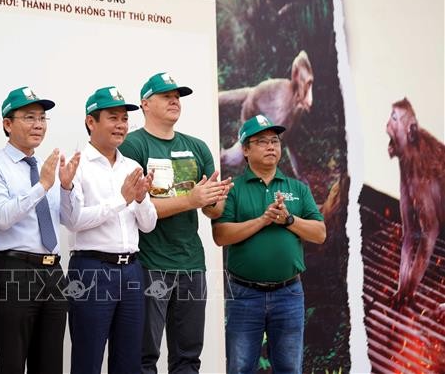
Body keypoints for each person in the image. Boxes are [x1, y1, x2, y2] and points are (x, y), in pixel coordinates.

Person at [119, 72, 232, 373]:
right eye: (166, 95)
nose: (174, 100)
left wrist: (214, 199)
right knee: (144, 356)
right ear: (145, 103)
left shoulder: (198, 147)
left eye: (178, 96)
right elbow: (135, 205)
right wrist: (192, 199)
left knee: (187, 358)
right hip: (149, 264)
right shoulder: (132, 146)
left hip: (192, 265)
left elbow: (213, 211)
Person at [0, 86, 80, 374]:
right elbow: (1, 217)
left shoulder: (47, 168)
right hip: (15, 271)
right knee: (12, 362)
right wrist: (43, 186)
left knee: (50, 365)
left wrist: (67, 187)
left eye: (43, 118)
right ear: (7, 124)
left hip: (53, 273)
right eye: (30, 117)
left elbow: (69, 222)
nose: (38, 125)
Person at [212, 114, 326, 374]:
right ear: (245, 149)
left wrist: (288, 219)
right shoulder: (233, 189)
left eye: (275, 141)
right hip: (244, 295)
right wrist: (262, 220)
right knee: (240, 368)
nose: (271, 147)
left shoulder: (297, 188)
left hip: (289, 294)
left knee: (289, 368)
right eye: (261, 141)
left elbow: (319, 233)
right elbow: (220, 235)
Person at [61, 86, 158, 373]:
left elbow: (149, 224)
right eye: (113, 118)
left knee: (129, 362)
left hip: (131, 271)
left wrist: (140, 199)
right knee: (88, 359)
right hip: (91, 269)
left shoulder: (132, 166)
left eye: (125, 119)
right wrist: (122, 199)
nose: (121, 126)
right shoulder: (76, 165)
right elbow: (74, 220)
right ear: (91, 121)